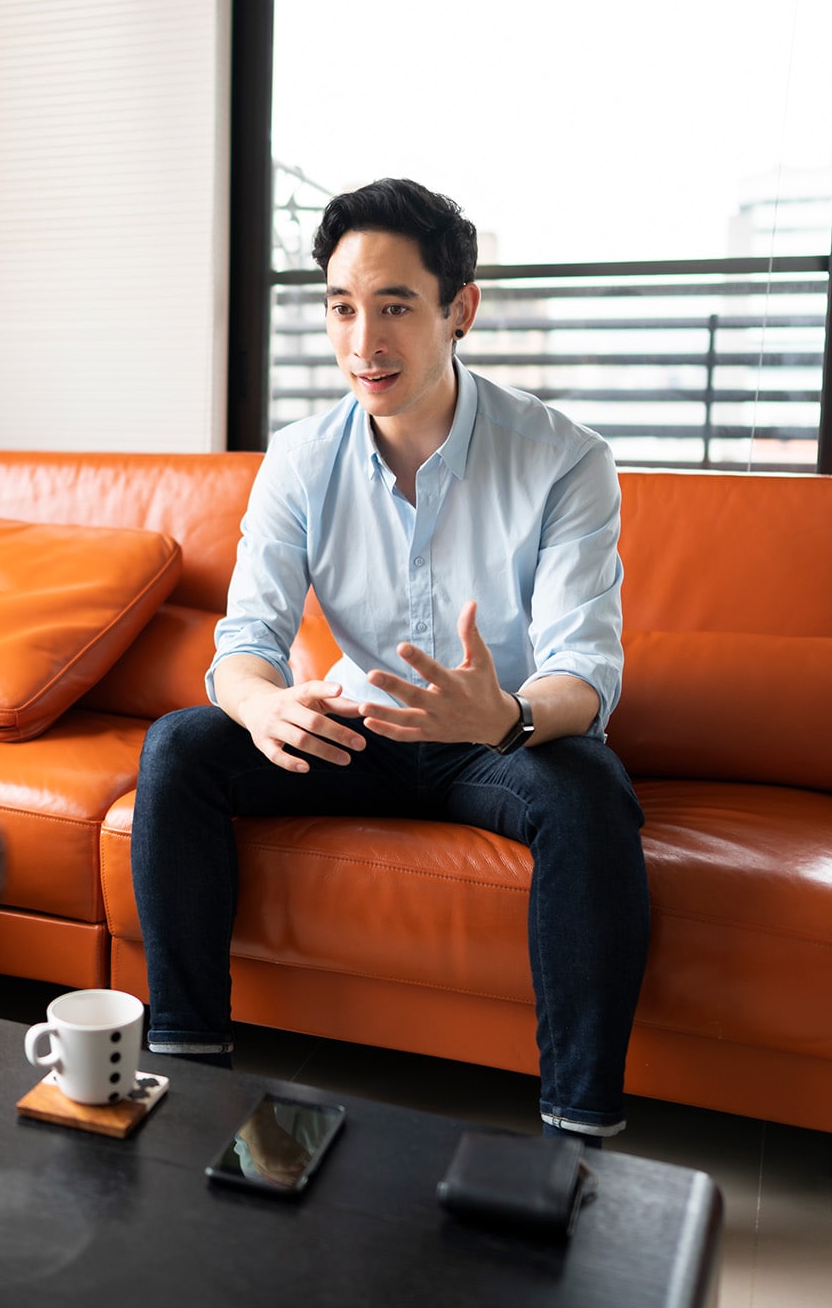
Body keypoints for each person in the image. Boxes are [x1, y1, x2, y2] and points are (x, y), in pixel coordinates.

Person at [130, 177, 649, 1145]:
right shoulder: (297, 457)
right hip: (358, 733)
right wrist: (261, 708)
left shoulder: (562, 457)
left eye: (395, 307)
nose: (361, 342)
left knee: (589, 791)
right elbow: (242, 643)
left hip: (497, 741)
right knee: (180, 747)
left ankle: (578, 1132)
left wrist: (504, 716)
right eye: (340, 306)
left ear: (459, 310)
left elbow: (584, 672)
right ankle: (186, 1068)